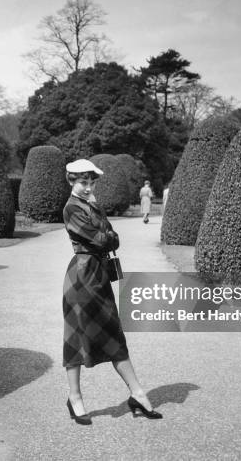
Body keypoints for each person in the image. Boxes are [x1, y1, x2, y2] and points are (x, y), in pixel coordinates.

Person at [62, 159, 162, 425]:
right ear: (71, 181)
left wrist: (106, 232)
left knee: (114, 335)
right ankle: (75, 398)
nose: (88, 187)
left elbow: (113, 238)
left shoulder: (91, 205)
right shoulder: (71, 208)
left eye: (92, 182)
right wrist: (106, 233)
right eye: (83, 182)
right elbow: (101, 239)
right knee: (76, 338)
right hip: (81, 278)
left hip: (99, 275)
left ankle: (138, 395)